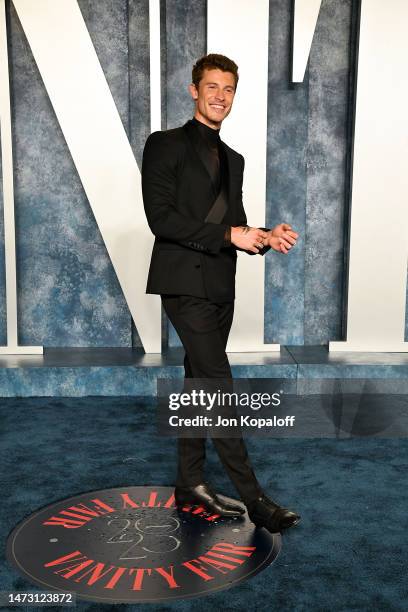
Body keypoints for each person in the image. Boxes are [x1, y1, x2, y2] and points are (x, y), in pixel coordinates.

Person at [142, 53, 300, 533]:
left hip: (219, 286)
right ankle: (256, 499)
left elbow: (233, 224)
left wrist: (264, 237)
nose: (220, 96)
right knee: (217, 381)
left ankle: (190, 480)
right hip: (182, 283)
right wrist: (232, 235)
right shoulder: (164, 145)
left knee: (197, 381)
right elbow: (161, 219)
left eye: (228, 89)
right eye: (211, 87)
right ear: (193, 90)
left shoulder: (235, 160)